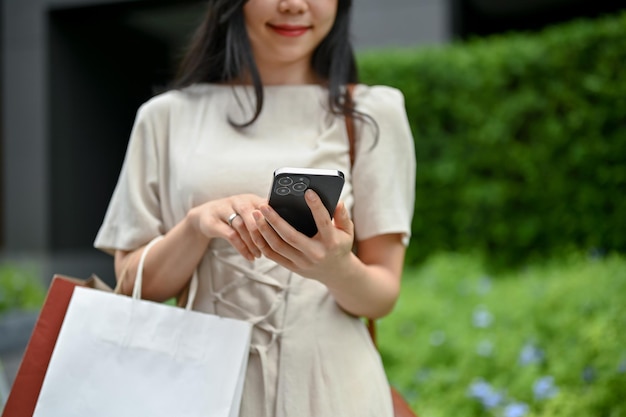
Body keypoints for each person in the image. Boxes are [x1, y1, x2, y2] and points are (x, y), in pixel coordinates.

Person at [94, 0, 416, 416]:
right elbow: (134, 284)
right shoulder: (164, 117)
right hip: (198, 388)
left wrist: (334, 267)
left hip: (332, 389)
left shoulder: (372, 113)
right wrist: (196, 226)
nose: (293, 5)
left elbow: (382, 295)